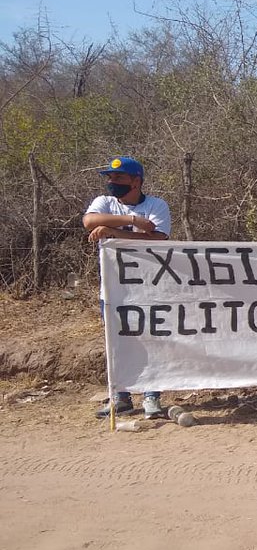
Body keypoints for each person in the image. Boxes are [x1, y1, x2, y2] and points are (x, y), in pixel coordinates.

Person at [83, 156, 172, 419]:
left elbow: (157, 238)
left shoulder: (157, 204)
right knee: (117, 341)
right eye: (110, 178)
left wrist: (113, 232)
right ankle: (121, 397)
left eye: (119, 178)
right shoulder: (104, 202)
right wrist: (134, 221)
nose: (112, 182)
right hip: (113, 288)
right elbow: (89, 222)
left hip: (150, 286)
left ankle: (151, 396)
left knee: (151, 339)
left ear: (136, 181)